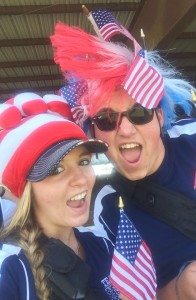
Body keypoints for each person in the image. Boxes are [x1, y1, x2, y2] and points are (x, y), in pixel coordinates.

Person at [50, 7, 196, 300]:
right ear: (94, 133)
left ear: (160, 116)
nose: (126, 130)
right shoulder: (97, 211)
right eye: (106, 119)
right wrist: (179, 289)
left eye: (139, 113)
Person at [0, 93, 118, 300]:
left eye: (83, 162)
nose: (81, 179)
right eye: (56, 169)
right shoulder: (10, 269)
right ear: (24, 189)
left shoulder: (102, 245)